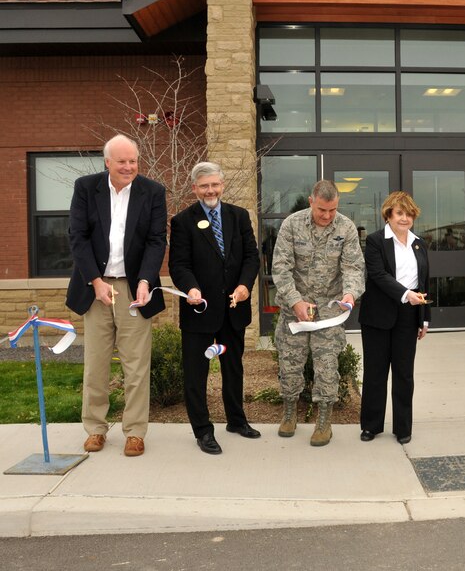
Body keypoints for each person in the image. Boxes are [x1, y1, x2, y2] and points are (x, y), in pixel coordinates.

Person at [66, 134, 167, 457]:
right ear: (107, 162)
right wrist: (94, 280)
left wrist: (146, 281)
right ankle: (96, 429)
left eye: (133, 160)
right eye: (122, 161)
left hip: (133, 288)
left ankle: (135, 432)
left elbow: (156, 240)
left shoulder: (152, 191)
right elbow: (77, 237)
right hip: (95, 286)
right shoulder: (86, 187)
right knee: (96, 363)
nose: (128, 167)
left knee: (136, 365)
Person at [169, 162, 262, 455]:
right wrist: (191, 288)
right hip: (200, 310)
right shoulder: (183, 221)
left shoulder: (238, 216)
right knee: (196, 374)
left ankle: (236, 420)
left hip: (233, 309)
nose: (211, 191)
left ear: (222, 185)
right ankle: (203, 431)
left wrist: (246, 285)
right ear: (195, 188)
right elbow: (178, 264)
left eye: (215, 185)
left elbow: (251, 256)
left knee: (233, 369)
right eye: (204, 186)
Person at [271, 180, 365, 446]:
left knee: (327, 366)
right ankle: (290, 413)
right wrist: (294, 301)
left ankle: (324, 421)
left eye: (332, 210)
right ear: (312, 201)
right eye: (322, 209)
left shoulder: (345, 227)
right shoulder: (292, 224)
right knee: (290, 363)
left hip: (329, 310)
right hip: (295, 309)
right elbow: (280, 267)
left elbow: (354, 268)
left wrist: (350, 293)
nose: (327, 216)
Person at [359, 192, 431, 445]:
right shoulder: (376, 240)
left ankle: (403, 428)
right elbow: (377, 275)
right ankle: (371, 425)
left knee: (404, 374)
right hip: (378, 315)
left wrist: (424, 318)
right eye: (399, 213)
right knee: (375, 373)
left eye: (409, 213)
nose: (405, 218)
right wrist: (405, 294)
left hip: (409, 316)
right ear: (388, 215)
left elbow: (424, 282)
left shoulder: (419, 243)